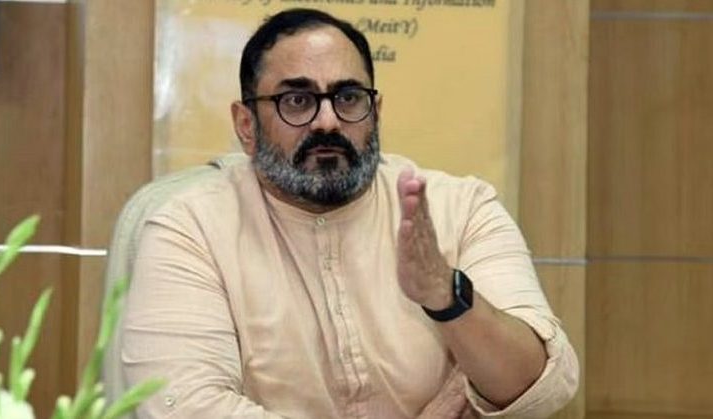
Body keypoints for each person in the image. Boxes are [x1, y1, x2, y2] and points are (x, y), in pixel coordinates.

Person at [121, 8, 579, 418]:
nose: (328, 121)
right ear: (246, 125)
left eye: (348, 98)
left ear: (375, 111)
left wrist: (446, 294)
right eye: (297, 100)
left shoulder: (461, 208)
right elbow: (184, 405)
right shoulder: (189, 229)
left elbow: (543, 385)